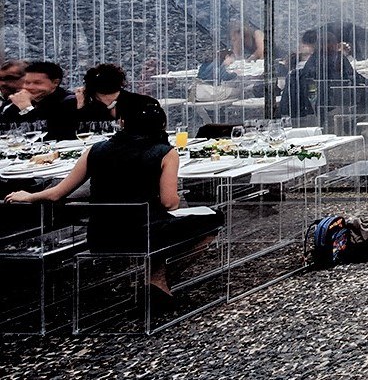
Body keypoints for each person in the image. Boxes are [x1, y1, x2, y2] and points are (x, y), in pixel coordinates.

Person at [6, 95, 219, 303]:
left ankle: (154, 284)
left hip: (102, 235)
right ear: (162, 124)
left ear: (122, 122)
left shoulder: (95, 150)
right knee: (212, 220)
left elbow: (57, 193)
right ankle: (155, 281)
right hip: (147, 234)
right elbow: (169, 202)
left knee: (159, 225)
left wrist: (28, 196)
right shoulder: (165, 152)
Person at [2, 61, 80, 140]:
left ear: (55, 82)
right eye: (27, 83)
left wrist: (26, 108)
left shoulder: (70, 102)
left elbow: (49, 134)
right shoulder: (16, 102)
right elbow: (5, 130)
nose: (30, 87)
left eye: (37, 83)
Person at [77, 63, 150, 124]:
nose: (107, 100)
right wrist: (80, 106)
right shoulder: (88, 106)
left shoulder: (143, 103)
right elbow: (78, 133)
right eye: (102, 96)